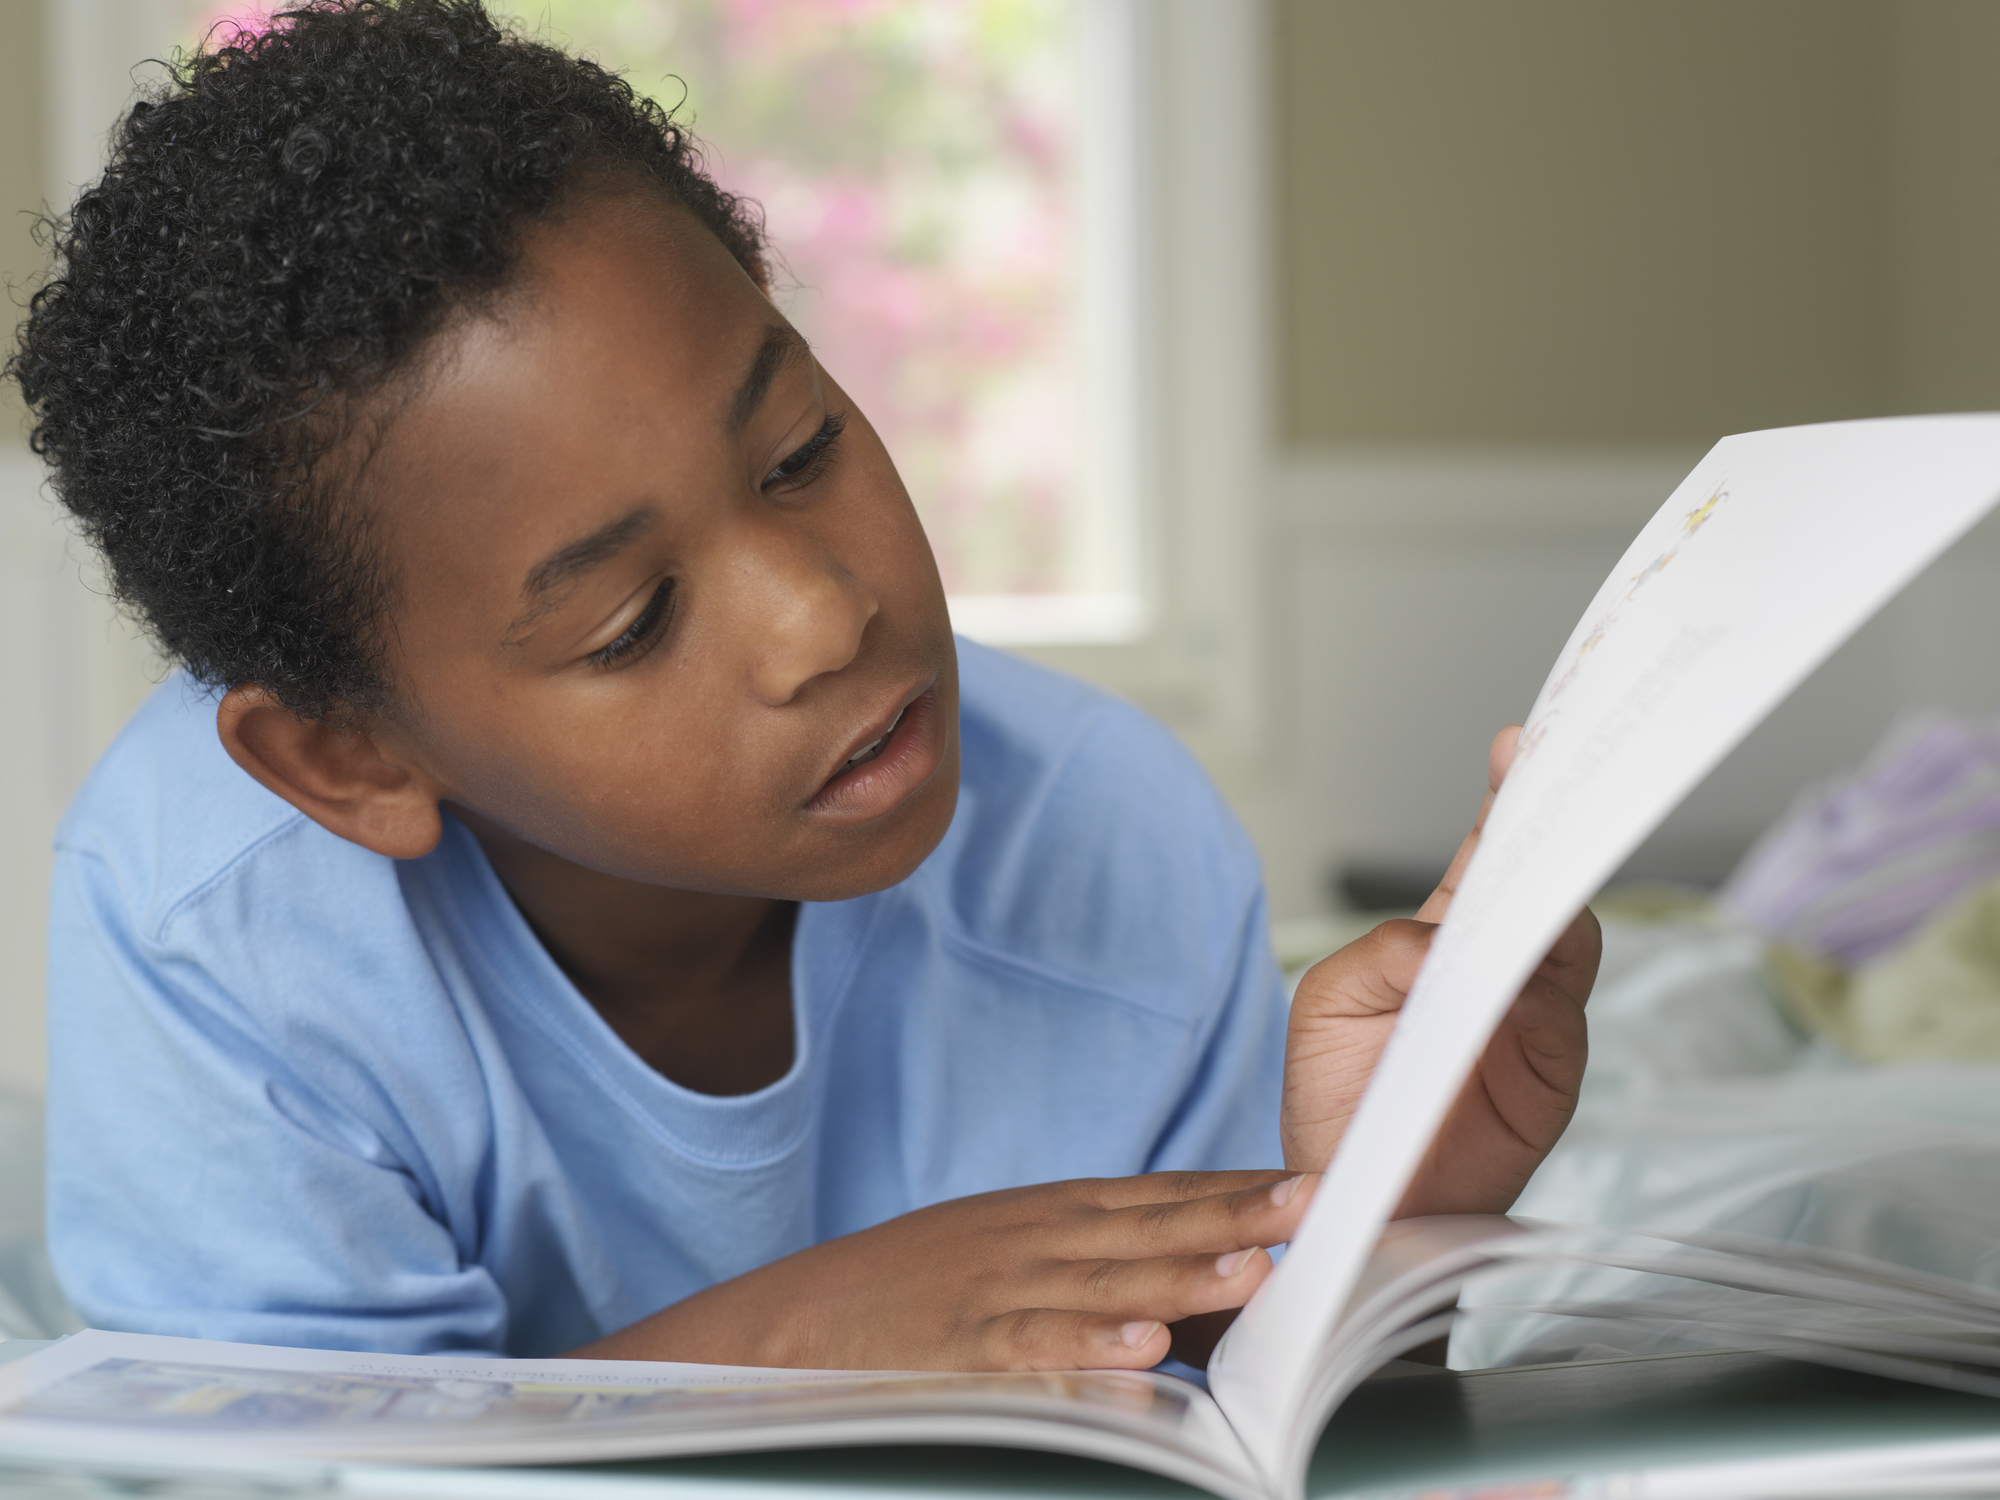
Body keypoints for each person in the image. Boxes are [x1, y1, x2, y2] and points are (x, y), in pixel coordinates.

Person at [9, 0, 1599, 1370]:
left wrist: (1385, 1236)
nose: (824, 616)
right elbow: (281, 1463)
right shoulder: (209, 924)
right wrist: (792, 1342)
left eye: (801, 451)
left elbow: (1212, 1422)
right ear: (349, 761)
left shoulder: (1112, 840)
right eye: (631, 622)